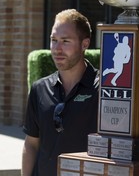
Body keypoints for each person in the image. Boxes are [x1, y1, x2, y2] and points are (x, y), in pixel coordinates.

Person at [22, 9, 99, 176]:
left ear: (84, 44)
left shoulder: (103, 89)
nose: (57, 49)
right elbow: (31, 144)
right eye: (54, 40)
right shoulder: (39, 89)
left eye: (65, 41)